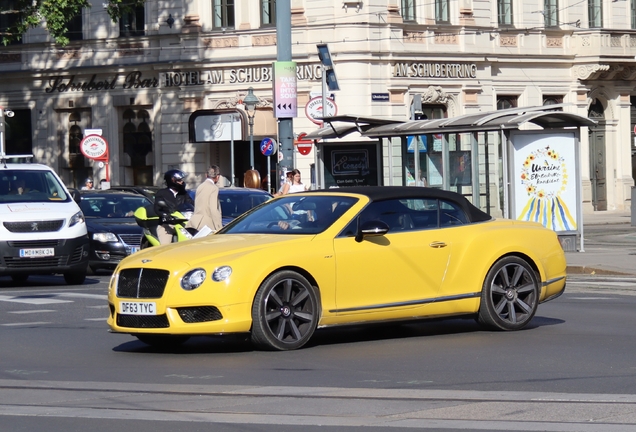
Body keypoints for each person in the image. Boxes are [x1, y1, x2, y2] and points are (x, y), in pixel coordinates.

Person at [154, 169, 194, 245]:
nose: (182, 182)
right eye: (179, 180)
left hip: (183, 223)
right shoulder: (162, 193)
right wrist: (165, 215)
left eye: (182, 180)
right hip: (167, 225)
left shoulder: (183, 193)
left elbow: (191, 204)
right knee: (166, 245)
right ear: (172, 181)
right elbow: (157, 208)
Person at [186, 165, 223, 234]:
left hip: (195, 223)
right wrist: (219, 227)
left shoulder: (200, 186)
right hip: (207, 225)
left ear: (206, 175)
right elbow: (213, 209)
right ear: (218, 177)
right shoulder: (214, 188)